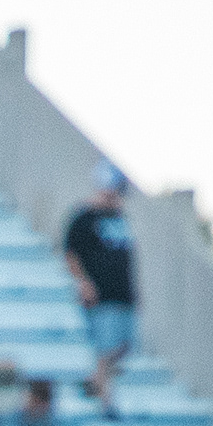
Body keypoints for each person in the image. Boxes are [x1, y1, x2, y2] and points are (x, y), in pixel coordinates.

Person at [62, 163, 139, 400]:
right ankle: (106, 401)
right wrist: (83, 283)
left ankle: (94, 382)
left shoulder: (119, 218)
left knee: (126, 347)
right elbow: (71, 253)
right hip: (102, 296)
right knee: (106, 348)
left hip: (123, 295)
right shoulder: (84, 218)